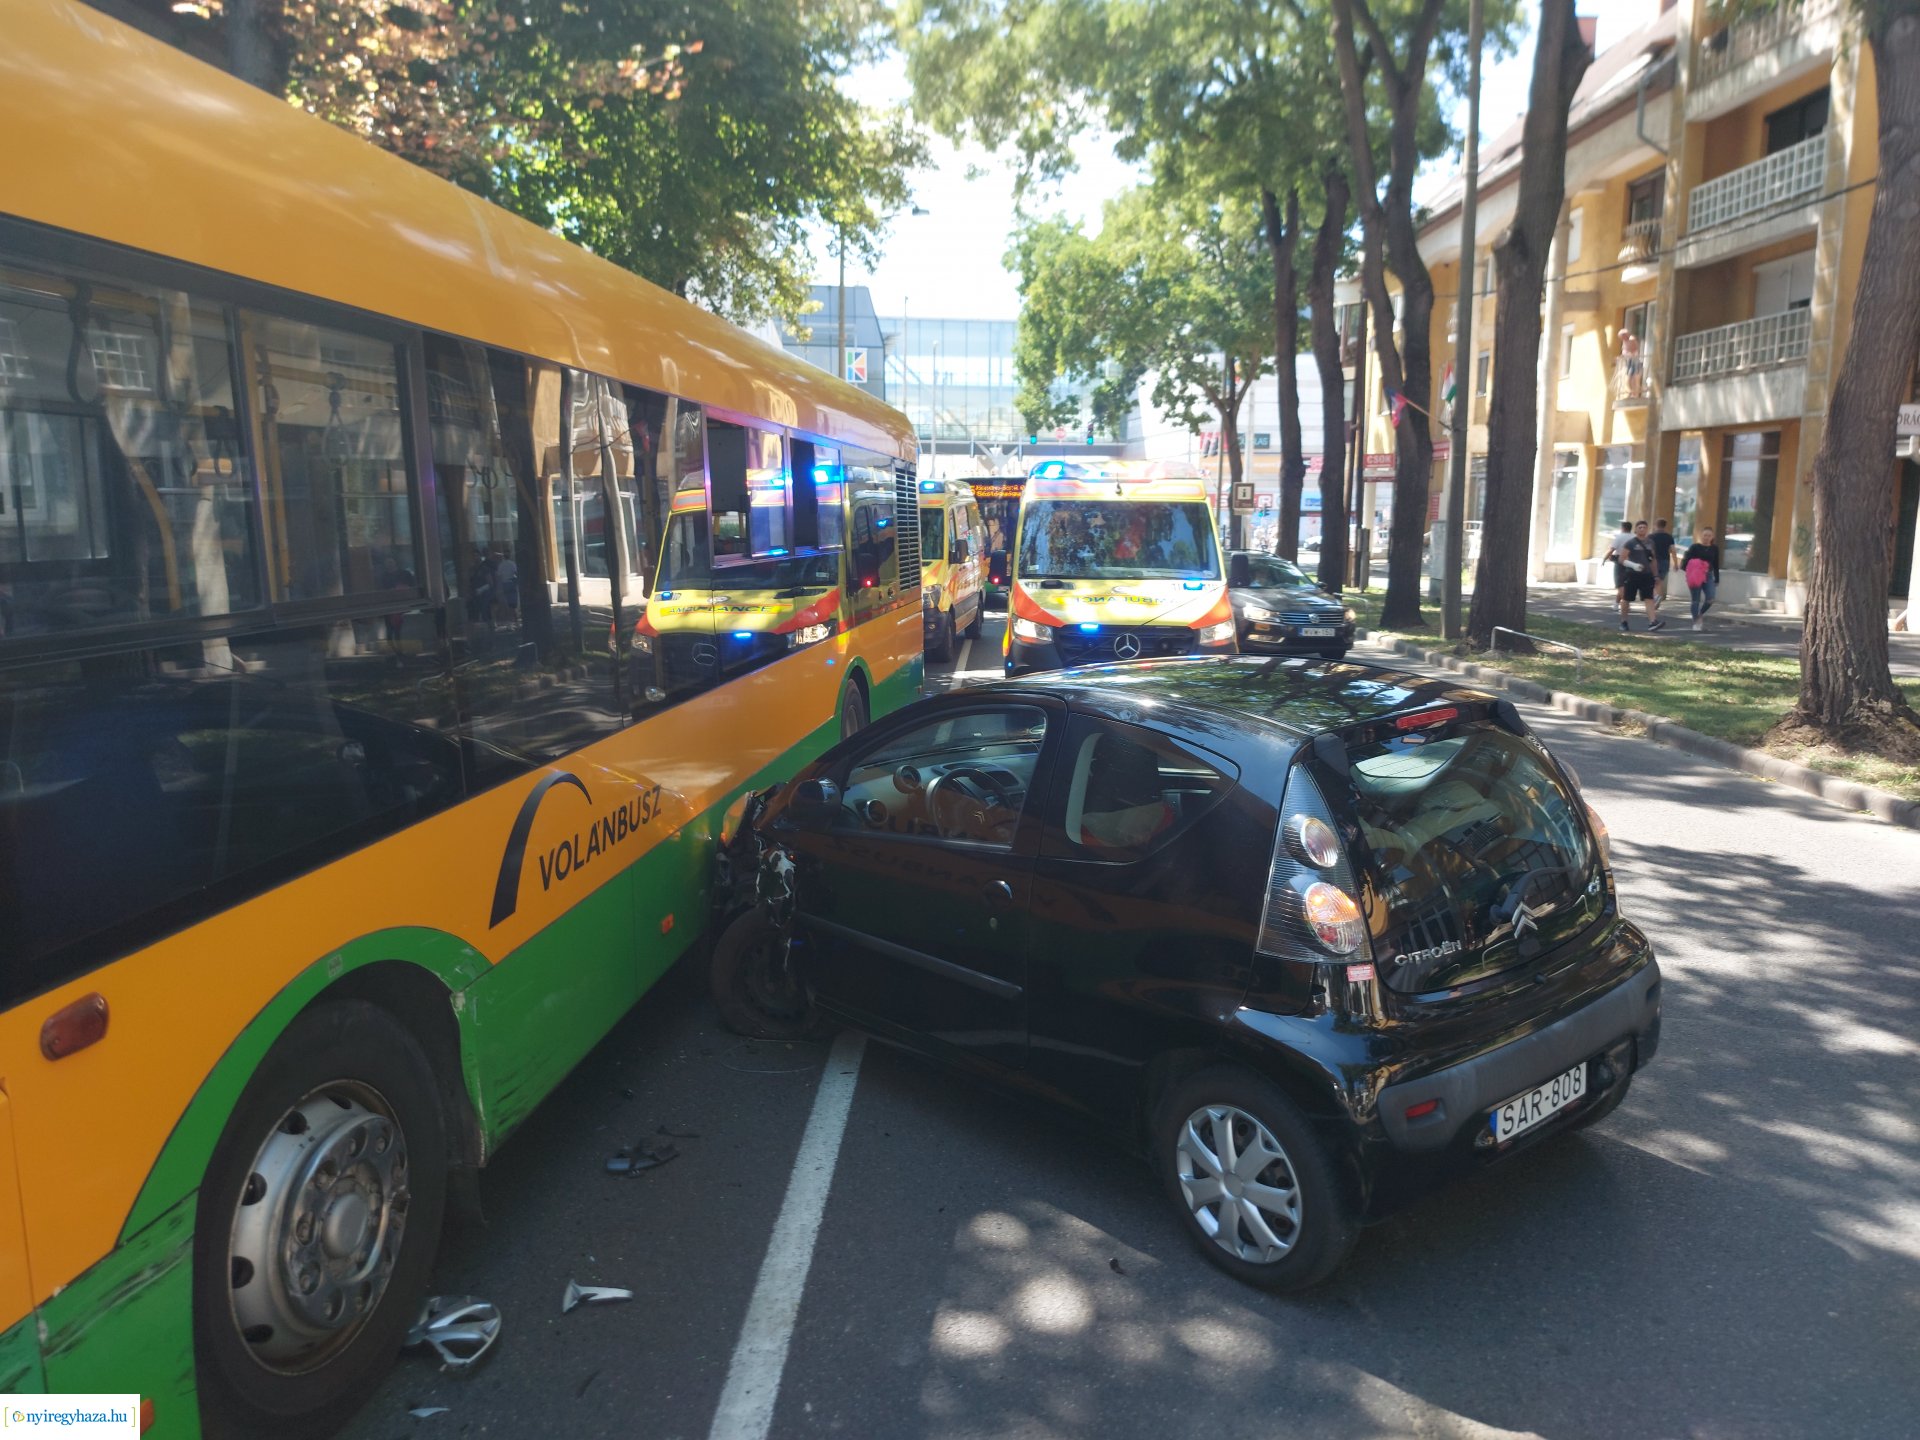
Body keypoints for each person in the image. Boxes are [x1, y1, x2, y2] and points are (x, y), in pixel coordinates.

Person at [1609, 521, 1661, 632]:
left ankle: (1653, 622)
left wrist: (1655, 575)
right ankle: (1624, 622)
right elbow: (1621, 559)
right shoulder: (1630, 543)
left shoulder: (1650, 543)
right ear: (1636, 530)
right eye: (1640, 527)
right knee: (1627, 599)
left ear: (1647, 529)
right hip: (1632, 575)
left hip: (1646, 575)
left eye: (1644, 527)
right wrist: (1633, 565)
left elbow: (1653, 560)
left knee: (1649, 599)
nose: (1642, 529)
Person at [1682, 526, 1721, 631]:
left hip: (1708, 575)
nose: (1706, 538)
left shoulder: (1714, 548)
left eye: (1709, 536)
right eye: (1705, 535)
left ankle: (1699, 614)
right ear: (1701, 536)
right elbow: (1685, 563)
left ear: (1712, 537)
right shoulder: (1695, 547)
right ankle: (1696, 623)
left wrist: (1717, 578)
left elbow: (1716, 564)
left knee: (1711, 598)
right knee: (1696, 600)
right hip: (1696, 575)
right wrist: (1694, 568)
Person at [1603, 520, 1633, 617]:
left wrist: (1604, 559)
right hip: (1631, 562)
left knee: (1620, 584)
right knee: (1626, 585)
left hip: (1620, 562)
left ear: (1623, 528)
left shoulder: (1619, 537)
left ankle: (1625, 603)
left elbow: (1611, 549)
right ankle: (1616, 603)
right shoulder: (1634, 537)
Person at [1649, 517, 1675, 603]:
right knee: (1659, 581)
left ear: (1655, 525)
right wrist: (1676, 563)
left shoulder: (1651, 536)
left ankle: (1655, 597)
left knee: (1652, 581)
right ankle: (1657, 598)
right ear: (1665, 526)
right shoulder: (1669, 537)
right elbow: (1673, 550)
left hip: (1653, 561)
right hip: (1665, 561)